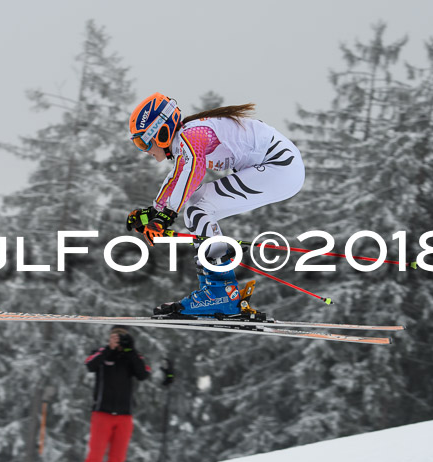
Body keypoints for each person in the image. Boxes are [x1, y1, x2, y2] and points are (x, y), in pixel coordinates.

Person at [126, 92, 305, 317]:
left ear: (159, 132)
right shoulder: (188, 137)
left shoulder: (192, 136)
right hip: (280, 168)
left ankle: (220, 294)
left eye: (143, 142)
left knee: (198, 208)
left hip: (280, 167)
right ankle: (221, 291)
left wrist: (164, 215)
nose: (144, 150)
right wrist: (155, 212)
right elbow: (179, 176)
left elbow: (192, 171)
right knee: (196, 204)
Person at [83, 326, 151, 462]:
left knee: (117, 460)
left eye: (122, 336)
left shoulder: (132, 356)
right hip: (102, 414)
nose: (118, 339)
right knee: (94, 458)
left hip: (124, 416)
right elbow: (90, 365)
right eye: (115, 336)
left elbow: (143, 374)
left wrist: (130, 350)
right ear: (110, 337)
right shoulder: (101, 352)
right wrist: (109, 349)